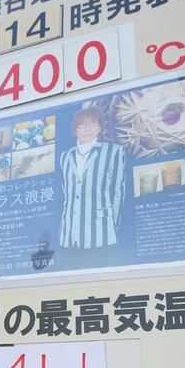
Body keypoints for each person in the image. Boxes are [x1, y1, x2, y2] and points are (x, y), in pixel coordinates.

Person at [59, 105, 125, 266]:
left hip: (100, 234)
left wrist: (112, 224)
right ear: (75, 130)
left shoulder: (113, 151)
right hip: (69, 235)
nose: (87, 128)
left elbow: (118, 191)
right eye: (82, 124)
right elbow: (66, 193)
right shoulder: (65, 156)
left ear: (100, 128)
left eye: (93, 123)